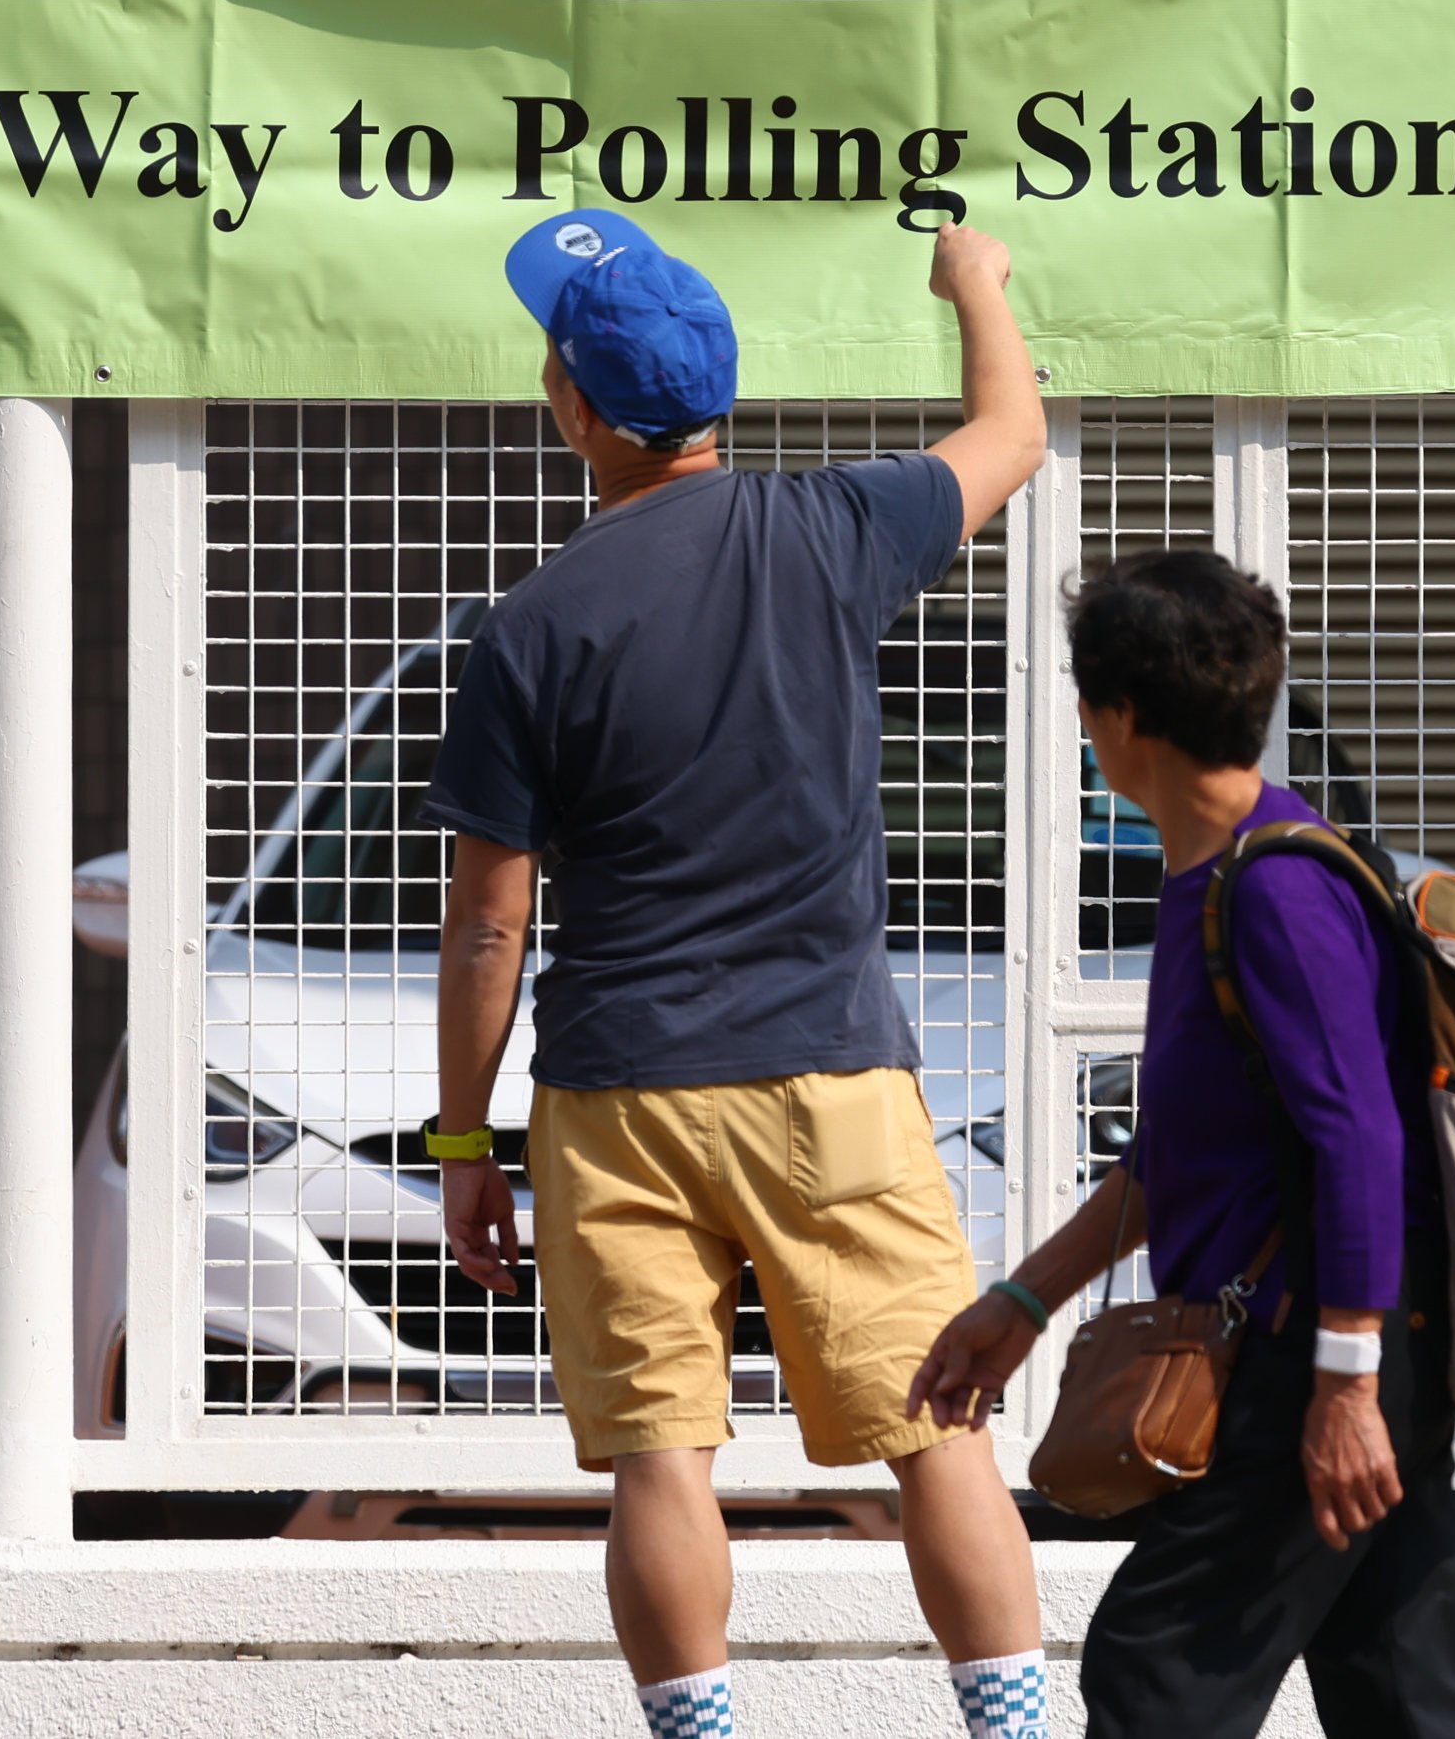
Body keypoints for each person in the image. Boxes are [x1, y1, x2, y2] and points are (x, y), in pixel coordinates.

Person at [424, 209, 1050, 1739]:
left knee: (659, 1455)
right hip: (831, 1076)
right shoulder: (835, 531)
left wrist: (462, 1146)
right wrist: (973, 282)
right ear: (718, 398)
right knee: (938, 1429)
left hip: (617, 1092)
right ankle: (1015, 1730)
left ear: (573, 404)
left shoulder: (527, 631)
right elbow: (1013, 431)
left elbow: (489, 926)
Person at [908, 552, 1455, 1739]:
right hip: (1341, 1347)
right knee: (1400, 1690)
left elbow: (1359, 1140)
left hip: (1312, 1351)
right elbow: (1171, 1149)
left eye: (1081, 700)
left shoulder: (1276, 886)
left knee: (1152, 1668)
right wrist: (1021, 1299)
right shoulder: (1212, 874)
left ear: (1117, 719)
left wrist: (1345, 1383)